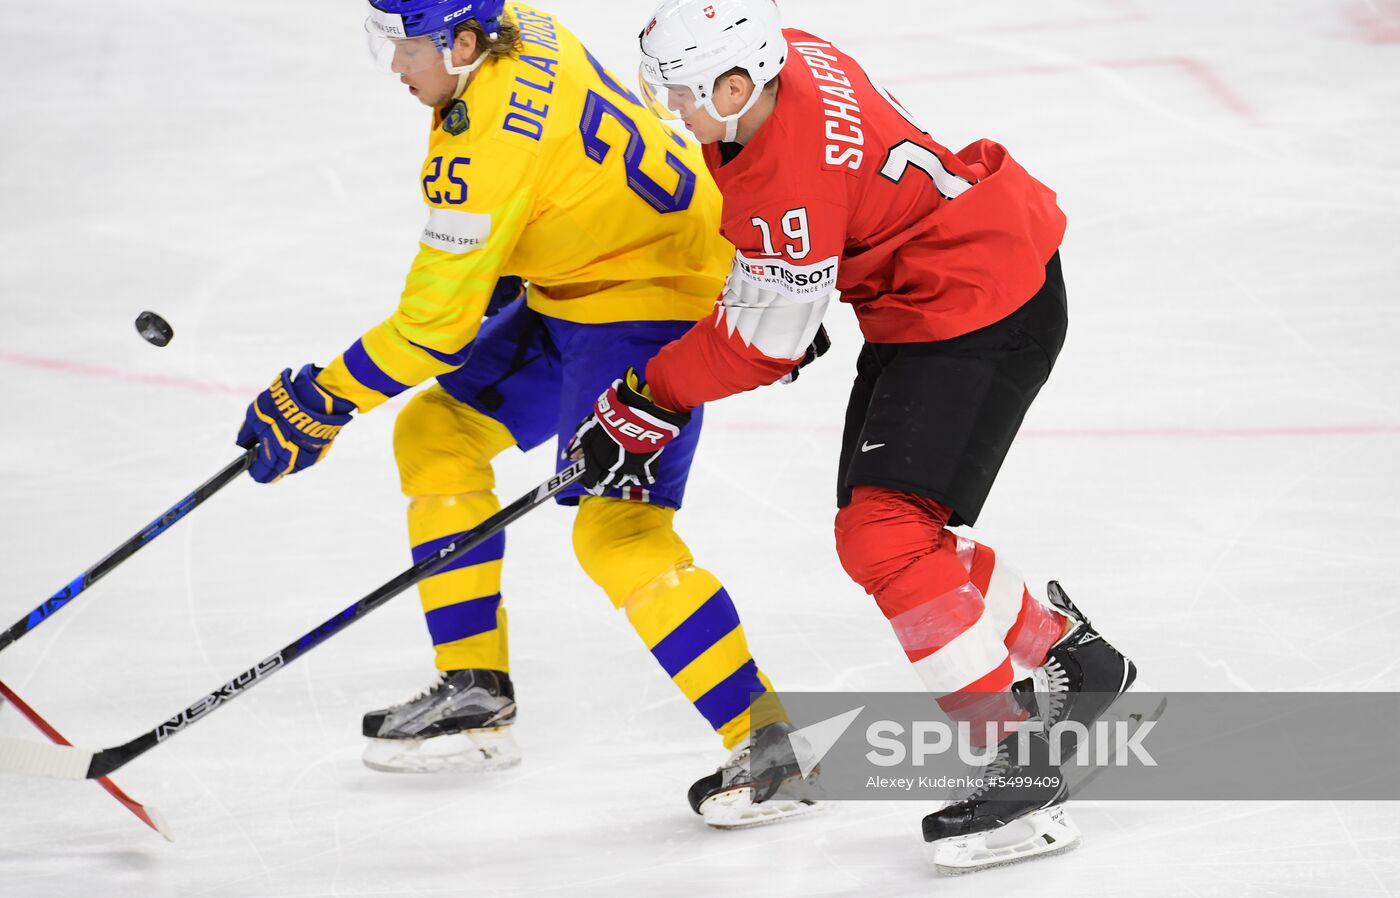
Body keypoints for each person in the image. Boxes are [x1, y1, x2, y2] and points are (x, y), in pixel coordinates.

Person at [570, 0, 1137, 874]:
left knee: (886, 535)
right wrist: (800, 279)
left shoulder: (781, 178)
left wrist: (649, 394)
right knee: (889, 535)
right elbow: (835, 203)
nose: (667, 106)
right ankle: (1069, 655)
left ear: (733, 84)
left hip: (979, 306)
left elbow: (767, 344)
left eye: (679, 90)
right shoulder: (791, 53)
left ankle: (1024, 777)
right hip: (951, 283)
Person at [234, 0, 821, 828]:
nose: (396, 69)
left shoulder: (486, 142)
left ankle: (773, 746)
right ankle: (477, 694)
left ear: (464, 42)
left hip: (649, 298)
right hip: (592, 278)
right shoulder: (525, 22)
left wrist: (321, 400)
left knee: (618, 532)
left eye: (404, 49)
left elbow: (431, 332)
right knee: (438, 433)